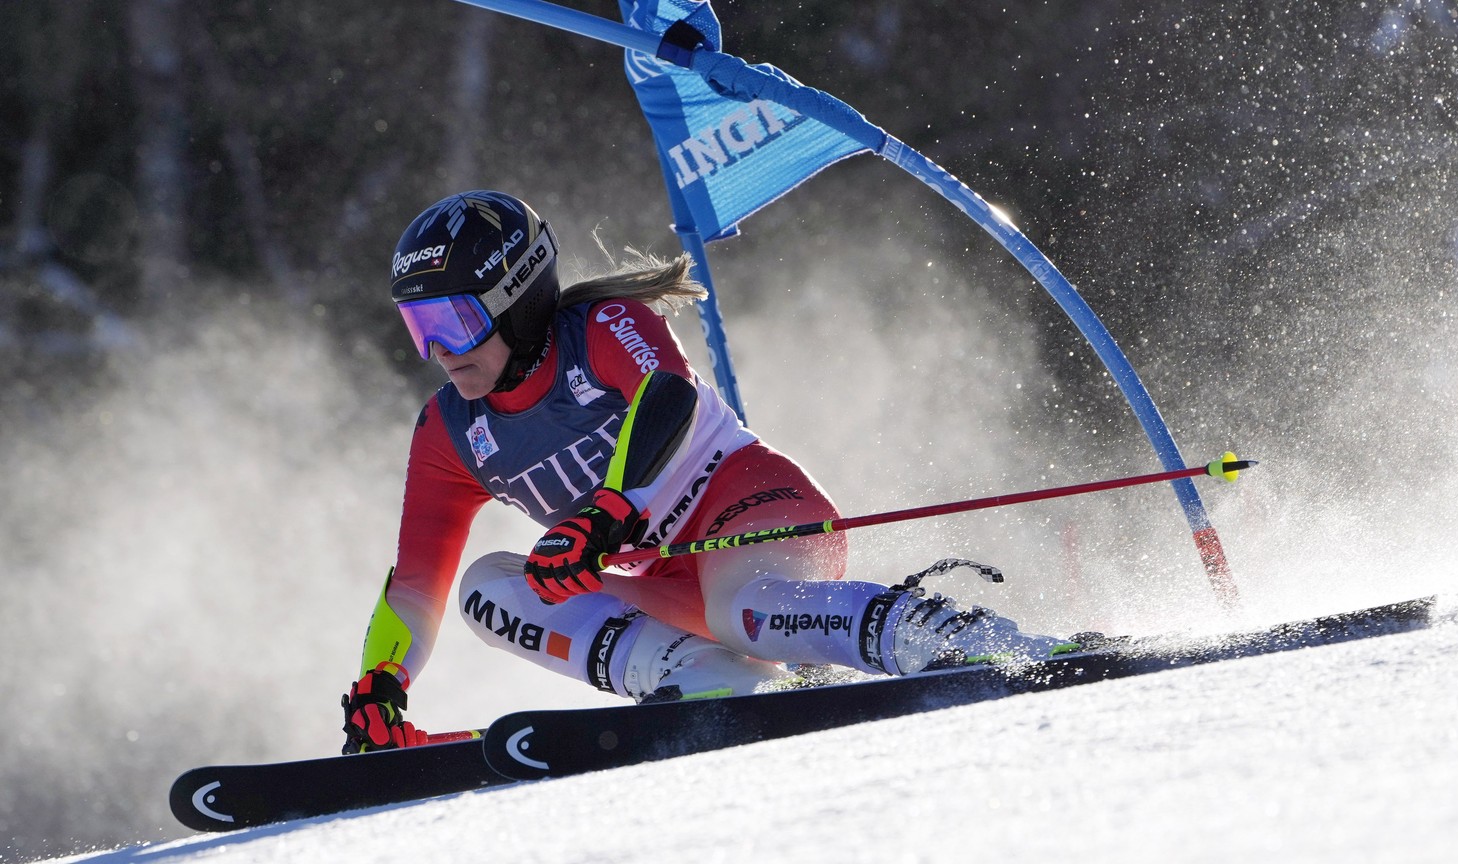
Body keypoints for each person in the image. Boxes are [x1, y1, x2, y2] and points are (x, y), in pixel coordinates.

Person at [340, 190, 1068, 753]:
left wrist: (605, 513)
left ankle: (951, 638)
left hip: (750, 510)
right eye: (420, 329)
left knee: (743, 609)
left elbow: (667, 397)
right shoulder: (449, 431)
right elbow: (413, 583)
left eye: (454, 324)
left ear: (516, 299)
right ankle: (708, 677)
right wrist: (383, 684)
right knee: (486, 589)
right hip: (662, 584)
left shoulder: (603, 328)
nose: (439, 350)